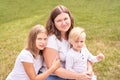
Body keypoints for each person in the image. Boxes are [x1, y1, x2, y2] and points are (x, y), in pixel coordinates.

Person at [43, 5, 93, 80]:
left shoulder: (75, 34)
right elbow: (54, 69)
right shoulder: (51, 40)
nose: (63, 23)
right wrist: (78, 76)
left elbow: (86, 55)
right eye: (59, 21)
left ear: (70, 18)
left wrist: (89, 71)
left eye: (65, 19)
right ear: (53, 23)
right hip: (54, 76)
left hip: (76, 73)